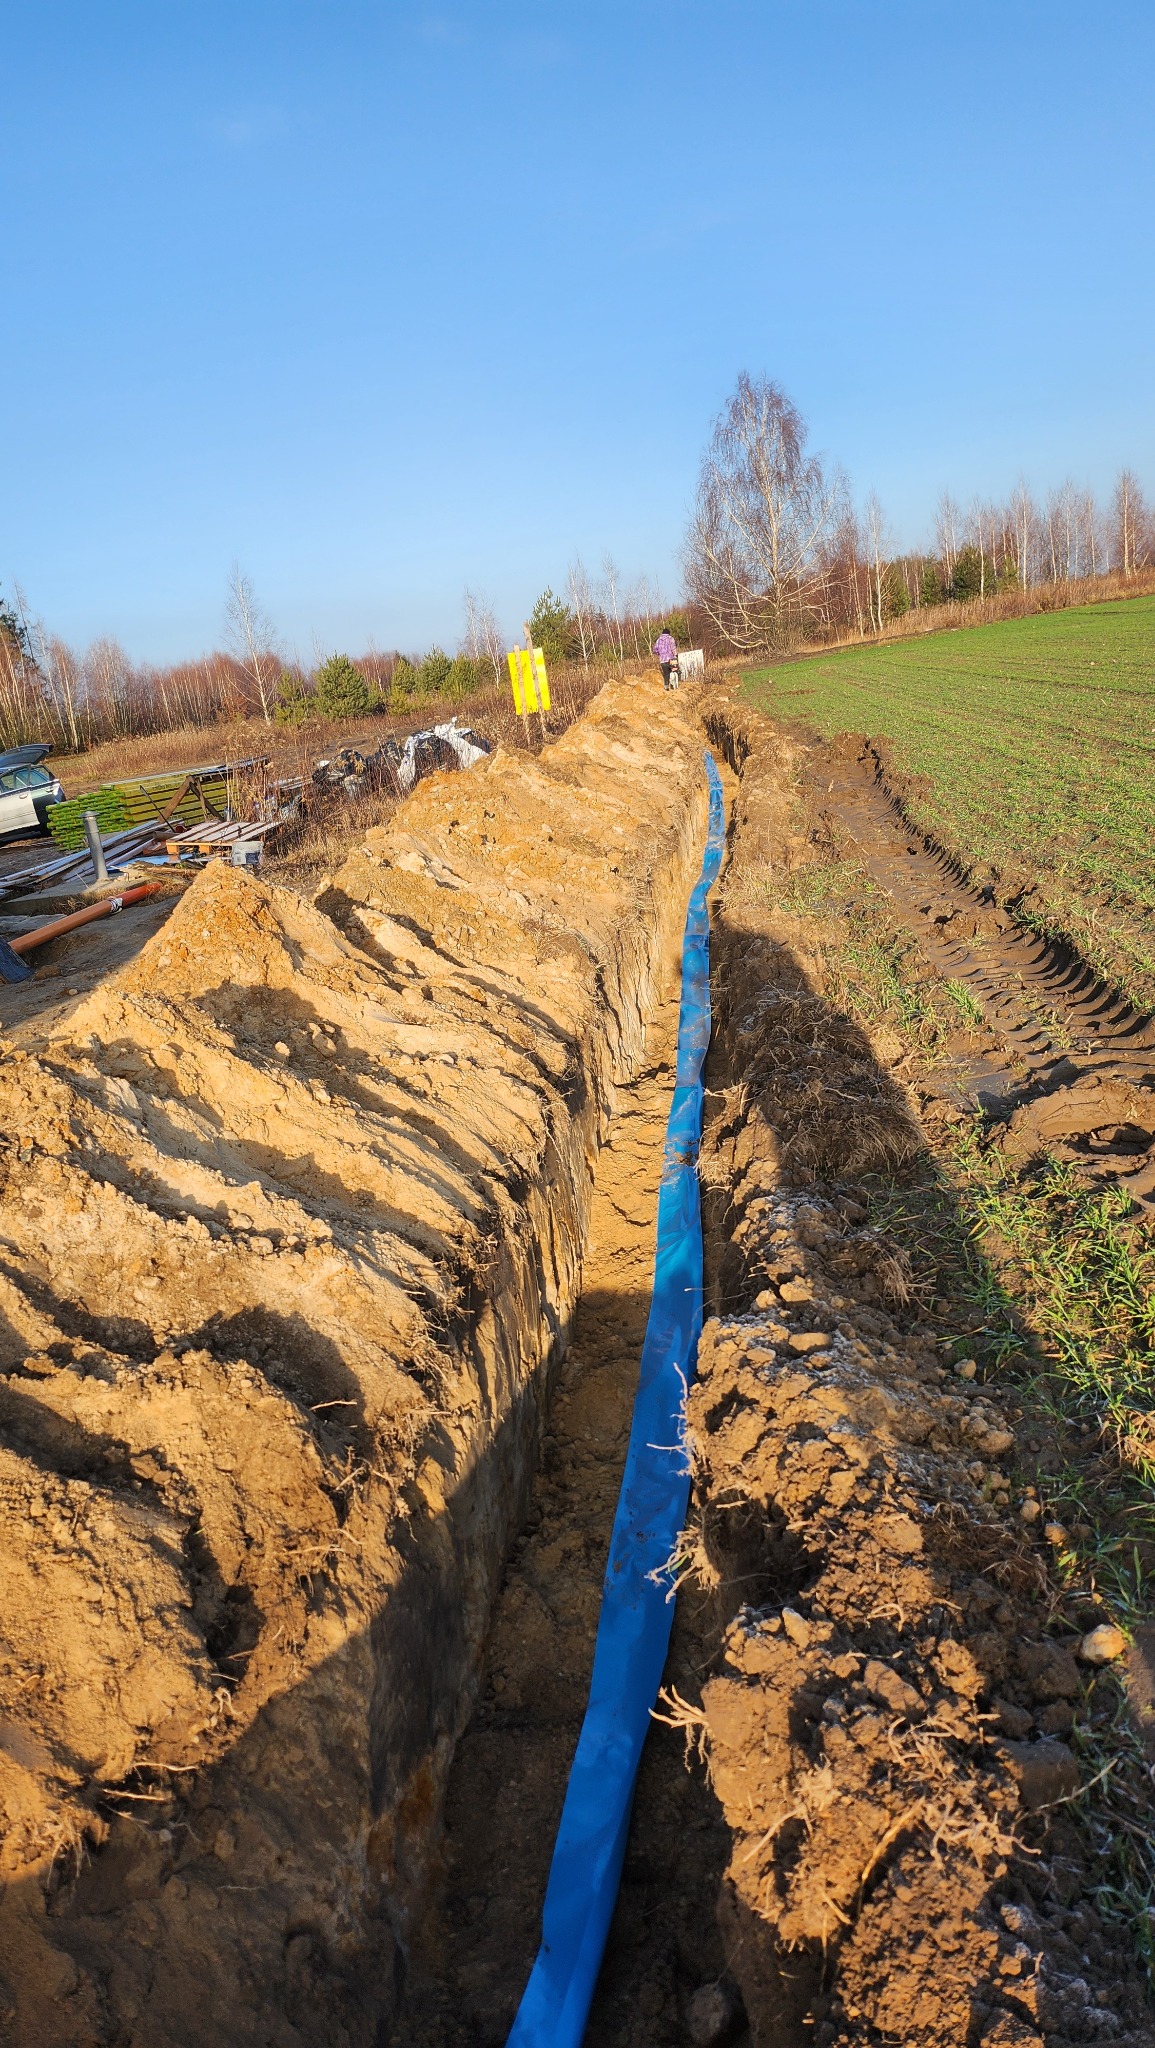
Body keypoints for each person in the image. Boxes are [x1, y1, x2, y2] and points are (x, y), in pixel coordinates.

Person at [652, 625, 678, 689]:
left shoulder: (658, 640)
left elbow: (655, 650)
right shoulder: (670, 638)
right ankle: (673, 685)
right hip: (671, 658)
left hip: (662, 660)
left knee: (666, 674)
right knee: (674, 671)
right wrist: (676, 655)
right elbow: (673, 648)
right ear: (669, 633)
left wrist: (659, 653)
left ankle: (666, 686)